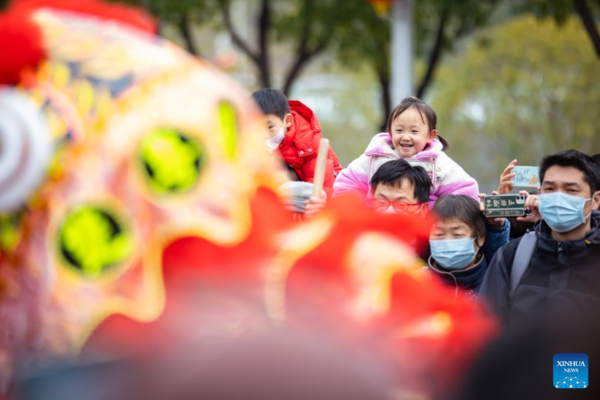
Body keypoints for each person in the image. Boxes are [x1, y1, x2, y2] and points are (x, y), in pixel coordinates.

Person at [480, 150, 600, 327]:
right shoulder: (512, 257)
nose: (558, 197)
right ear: (539, 192)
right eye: (550, 189)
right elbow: (485, 332)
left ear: (596, 200)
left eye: (571, 190)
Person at [333, 96, 478, 207]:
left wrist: (437, 215)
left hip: (423, 231)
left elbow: (465, 191)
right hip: (378, 226)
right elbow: (347, 183)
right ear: (390, 132)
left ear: (430, 135)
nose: (406, 136)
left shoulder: (438, 164)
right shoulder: (374, 157)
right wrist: (357, 210)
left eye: (414, 131)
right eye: (399, 130)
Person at [251, 88, 342, 194]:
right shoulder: (251, 143)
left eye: (270, 127)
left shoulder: (311, 144)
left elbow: (320, 191)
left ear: (288, 121)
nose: (263, 135)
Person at [427, 195, 510, 297]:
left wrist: (497, 226)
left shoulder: (496, 283)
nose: (448, 242)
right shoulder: (417, 281)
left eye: (458, 235)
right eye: (439, 234)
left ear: (480, 238)